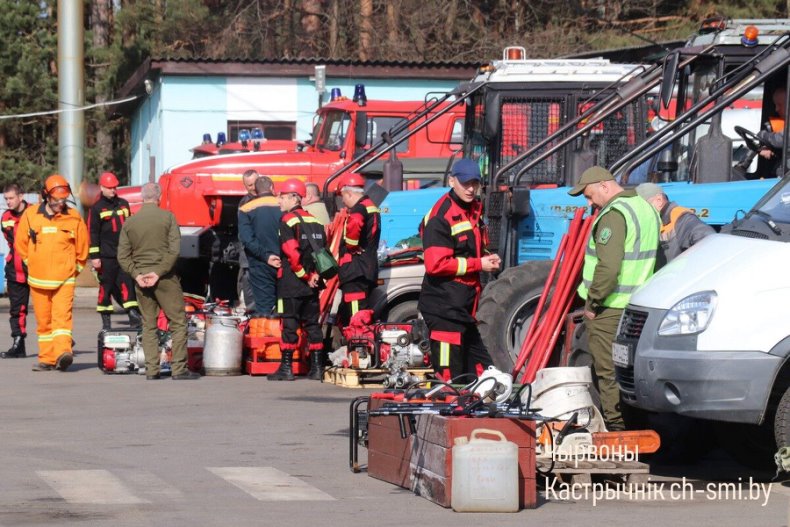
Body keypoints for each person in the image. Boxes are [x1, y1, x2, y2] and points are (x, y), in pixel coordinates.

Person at [569, 166, 660, 431]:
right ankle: (639, 431)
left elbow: (608, 268)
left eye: (589, 195)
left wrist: (593, 303)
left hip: (609, 308)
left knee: (608, 373)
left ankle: (617, 432)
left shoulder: (613, 215)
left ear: (604, 186)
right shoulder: (644, 208)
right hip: (638, 307)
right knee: (632, 371)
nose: (589, 203)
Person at [418, 158, 501, 382]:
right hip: (444, 308)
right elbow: (435, 265)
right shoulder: (441, 216)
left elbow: (473, 247)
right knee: (449, 380)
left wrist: (486, 257)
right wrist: (479, 264)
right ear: (452, 181)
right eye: (465, 183)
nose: (471, 189)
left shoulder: (473, 210)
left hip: (463, 309)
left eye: (475, 183)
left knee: (484, 374)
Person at [117, 183, 200, 380]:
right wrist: (158, 272)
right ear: (159, 197)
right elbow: (174, 250)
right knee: (178, 322)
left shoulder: (130, 222)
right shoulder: (168, 218)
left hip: (141, 280)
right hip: (165, 278)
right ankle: (179, 369)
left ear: (142, 197)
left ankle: (152, 370)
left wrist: (137, 275)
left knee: (148, 324)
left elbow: (122, 256)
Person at [15, 175, 88, 371]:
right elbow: (21, 244)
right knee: (44, 322)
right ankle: (47, 359)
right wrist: (32, 263)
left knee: (62, 319)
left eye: (63, 200)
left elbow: (82, 249)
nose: (60, 204)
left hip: (64, 280)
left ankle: (63, 353)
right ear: (46, 196)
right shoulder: (31, 215)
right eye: (56, 200)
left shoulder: (74, 217)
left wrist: (73, 272)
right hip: (38, 279)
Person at [269, 178, 326, 381]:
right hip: (313, 283)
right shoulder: (315, 221)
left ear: (294, 198)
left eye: (282, 197)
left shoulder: (287, 220)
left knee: (289, 323)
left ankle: (286, 368)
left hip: (292, 282)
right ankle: (317, 368)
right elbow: (322, 252)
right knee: (312, 324)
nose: (279, 201)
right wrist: (315, 275)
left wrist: (305, 276)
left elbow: (292, 253)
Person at [88, 172, 141, 330]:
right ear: (102, 188)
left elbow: (130, 228)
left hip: (124, 254)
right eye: (110, 188)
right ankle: (106, 321)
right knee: (106, 287)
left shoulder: (123, 204)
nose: (113, 190)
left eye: (114, 187)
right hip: (106, 256)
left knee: (128, 284)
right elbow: (93, 233)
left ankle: (133, 315)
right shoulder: (96, 208)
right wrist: (95, 257)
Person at [636, 183, 714, 268]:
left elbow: (710, 241)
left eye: (642, 206)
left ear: (659, 200)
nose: (639, 211)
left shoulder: (682, 219)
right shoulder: (655, 220)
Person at [337, 173, 380, 322]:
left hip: (355, 270)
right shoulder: (370, 206)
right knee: (349, 312)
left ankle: (358, 337)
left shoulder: (359, 209)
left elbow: (355, 223)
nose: (343, 201)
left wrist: (351, 245)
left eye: (343, 196)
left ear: (349, 193)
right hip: (365, 267)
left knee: (356, 318)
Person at [237, 176, 281, 316]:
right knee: (286, 307)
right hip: (285, 262)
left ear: (255, 191)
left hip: (261, 263)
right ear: (272, 188)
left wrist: (266, 256)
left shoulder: (245, 209)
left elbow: (247, 240)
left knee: (265, 310)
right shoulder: (283, 204)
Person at [1, 184, 30, 358]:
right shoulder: (5, 217)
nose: (8, 202)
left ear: (21, 196)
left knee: (48, 308)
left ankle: (61, 341)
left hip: (37, 268)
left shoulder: (34, 213)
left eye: (11, 198)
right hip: (15, 269)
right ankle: (18, 344)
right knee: (17, 309)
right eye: (6, 199)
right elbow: (10, 240)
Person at [236, 169, 260, 310]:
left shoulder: (270, 199)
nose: (253, 187)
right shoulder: (244, 204)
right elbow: (245, 233)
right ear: (245, 186)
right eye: (250, 185)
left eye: (255, 183)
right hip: (250, 253)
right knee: (249, 285)